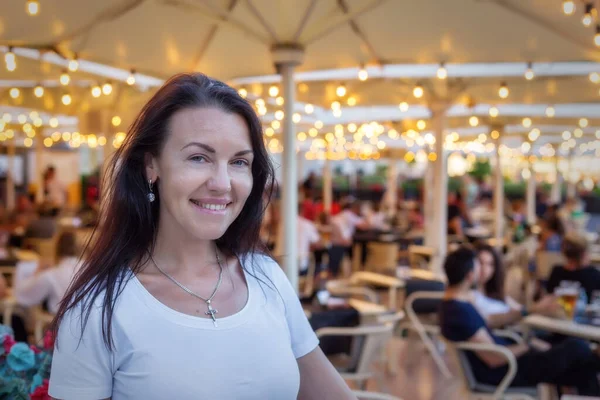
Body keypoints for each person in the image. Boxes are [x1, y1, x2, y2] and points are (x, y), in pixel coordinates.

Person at [48, 74, 355, 399]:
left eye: (239, 162)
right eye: (199, 157)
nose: (223, 183)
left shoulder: (266, 277)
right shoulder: (99, 309)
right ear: (152, 165)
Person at [440, 247, 600, 396]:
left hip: (509, 362)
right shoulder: (459, 311)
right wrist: (528, 344)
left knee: (581, 365)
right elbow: (493, 358)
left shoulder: (455, 305)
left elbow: (489, 325)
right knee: (577, 348)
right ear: (470, 275)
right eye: (477, 267)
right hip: (505, 371)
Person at [474, 244, 558, 329]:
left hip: (523, 329)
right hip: (508, 336)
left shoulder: (495, 292)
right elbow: (488, 320)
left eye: (490, 264)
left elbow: (520, 308)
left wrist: (541, 307)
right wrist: (532, 310)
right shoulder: (470, 296)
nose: (485, 269)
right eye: (480, 263)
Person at [14, 232, 81, 314]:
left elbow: (22, 296)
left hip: (60, 319)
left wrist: (37, 272)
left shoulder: (51, 274)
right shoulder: (88, 267)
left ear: (56, 249)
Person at [547, 234, 600, 302]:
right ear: (584, 253)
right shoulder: (594, 275)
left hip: (559, 310)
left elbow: (549, 295)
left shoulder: (557, 271)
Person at [297, 203, 320, 275]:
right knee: (321, 266)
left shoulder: (281, 223)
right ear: (302, 211)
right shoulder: (306, 224)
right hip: (300, 265)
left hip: (280, 264)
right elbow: (319, 244)